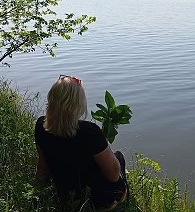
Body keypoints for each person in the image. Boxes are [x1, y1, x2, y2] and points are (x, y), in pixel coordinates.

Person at [35, 75, 128, 210]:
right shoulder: (89, 132)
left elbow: (43, 167)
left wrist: (37, 195)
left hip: (65, 194)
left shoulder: (40, 125)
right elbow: (113, 173)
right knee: (119, 157)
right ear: (77, 104)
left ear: (52, 99)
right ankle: (118, 199)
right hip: (94, 199)